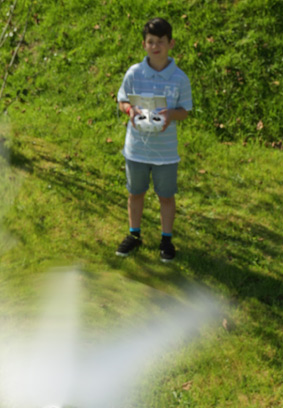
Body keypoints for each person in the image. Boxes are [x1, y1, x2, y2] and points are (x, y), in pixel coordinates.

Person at [114, 17, 192, 263]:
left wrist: (170, 114)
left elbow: (185, 111)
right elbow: (122, 100)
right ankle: (134, 235)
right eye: (150, 41)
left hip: (165, 152)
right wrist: (130, 111)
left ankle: (166, 240)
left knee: (166, 196)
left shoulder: (180, 78)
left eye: (161, 41)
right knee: (136, 193)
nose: (155, 46)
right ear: (144, 44)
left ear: (171, 43)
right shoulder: (134, 73)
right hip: (136, 149)